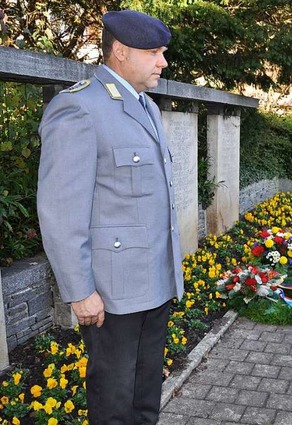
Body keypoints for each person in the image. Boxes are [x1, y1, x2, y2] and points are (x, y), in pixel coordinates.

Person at [37, 10, 184, 423]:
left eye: (163, 52)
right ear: (120, 52)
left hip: (154, 282)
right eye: (154, 52)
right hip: (112, 294)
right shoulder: (79, 108)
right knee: (114, 403)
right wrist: (80, 290)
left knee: (144, 399)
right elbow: (61, 211)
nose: (163, 62)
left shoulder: (147, 108)